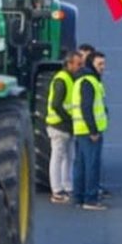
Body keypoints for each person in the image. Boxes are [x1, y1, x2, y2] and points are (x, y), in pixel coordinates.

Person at [69, 51, 108, 211]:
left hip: (80, 129)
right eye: (100, 64)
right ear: (92, 64)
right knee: (92, 165)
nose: (103, 68)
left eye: (104, 64)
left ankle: (78, 197)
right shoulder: (89, 82)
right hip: (89, 131)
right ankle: (90, 199)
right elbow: (87, 107)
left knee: (80, 165)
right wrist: (93, 130)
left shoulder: (81, 80)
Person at [45, 52, 83, 203]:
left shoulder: (70, 79)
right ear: (69, 64)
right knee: (58, 156)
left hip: (66, 125)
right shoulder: (62, 80)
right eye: (78, 64)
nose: (80, 67)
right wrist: (69, 119)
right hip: (59, 125)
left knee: (68, 157)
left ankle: (67, 186)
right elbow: (56, 105)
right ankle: (57, 190)